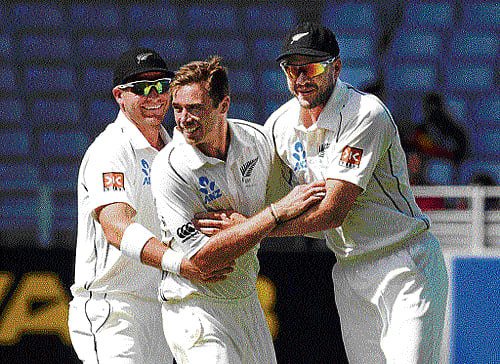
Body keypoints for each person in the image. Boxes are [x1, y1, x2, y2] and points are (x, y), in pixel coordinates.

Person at [198, 23, 449, 363]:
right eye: (292, 68)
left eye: (312, 67)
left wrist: (252, 229)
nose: (301, 78)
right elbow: (260, 195)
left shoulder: (365, 114)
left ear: (337, 68)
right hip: (347, 267)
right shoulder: (280, 125)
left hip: (403, 262)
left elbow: (334, 210)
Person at [150, 56, 325, 364]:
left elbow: (299, 206)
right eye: (178, 109)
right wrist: (271, 214)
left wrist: (250, 224)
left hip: (246, 300)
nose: (184, 119)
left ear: (224, 105)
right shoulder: (171, 168)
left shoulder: (256, 141)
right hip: (195, 306)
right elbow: (203, 259)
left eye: (195, 108)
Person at [68, 47, 231, 364]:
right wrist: (183, 265)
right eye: (141, 88)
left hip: (163, 307)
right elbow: (116, 227)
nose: (154, 96)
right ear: (119, 96)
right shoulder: (111, 149)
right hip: (113, 309)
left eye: (162, 86)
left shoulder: (177, 151)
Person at [406, 92, 470, 183]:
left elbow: (460, 153)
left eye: (435, 107)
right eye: (429, 107)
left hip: (444, 166)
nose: (433, 111)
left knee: (438, 169)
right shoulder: (421, 130)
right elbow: (415, 150)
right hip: (424, 166)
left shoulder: (454, 130)